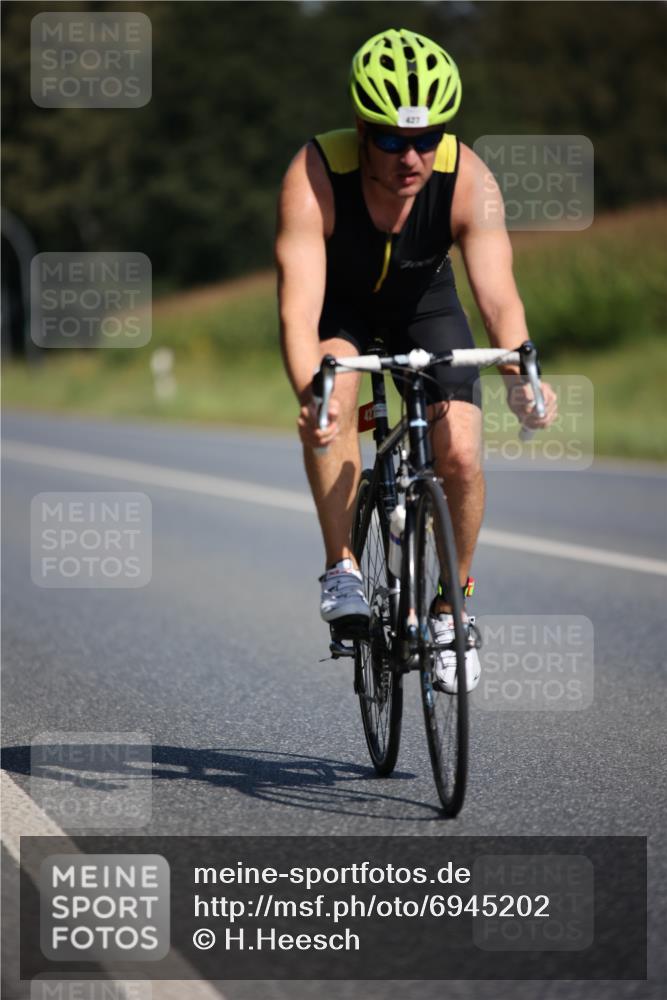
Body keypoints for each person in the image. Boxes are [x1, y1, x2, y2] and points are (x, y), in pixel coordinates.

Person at [276, 27, 557, 692]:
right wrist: (310, 394)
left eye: (426, 138)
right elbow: (297, 309)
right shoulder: (313, 174)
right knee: (335, 398)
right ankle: (341, 566)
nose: (411, 157)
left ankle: (448, 610)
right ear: (360, 129)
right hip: (339, 312)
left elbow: (498, 297)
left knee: (458, 452)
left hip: (425, 309)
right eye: (392, 140)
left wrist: (520, 376)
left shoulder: (467, 180)